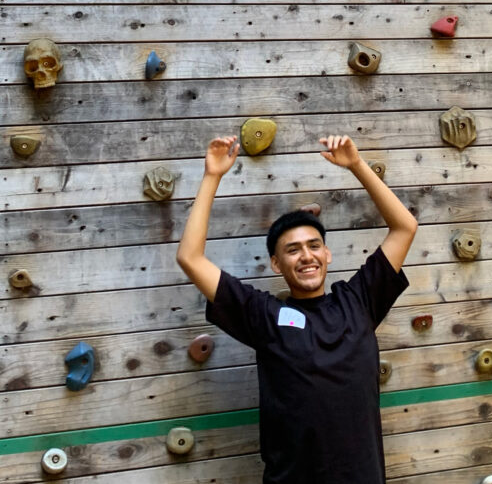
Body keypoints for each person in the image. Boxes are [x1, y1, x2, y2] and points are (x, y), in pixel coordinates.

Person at [176, 134, 418, 483]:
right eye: (293, 250)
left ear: (327, 254)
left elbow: (405, 227)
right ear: (276, 264)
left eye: (314, 245)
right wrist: (212, 176)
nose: (306, 255)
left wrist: (356, 165)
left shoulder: (359, 300)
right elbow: (190, 258)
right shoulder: (265, 315)